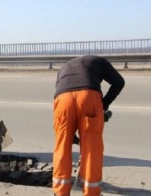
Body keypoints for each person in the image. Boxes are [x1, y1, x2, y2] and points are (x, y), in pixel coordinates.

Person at [52, 55, 125, 196]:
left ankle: (60, 192)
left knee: (62, 145)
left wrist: (71, 133)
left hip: (62, 100)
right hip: (88, 96)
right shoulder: (98, 61)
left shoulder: (64, 67)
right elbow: (119, 82)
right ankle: (92, 192)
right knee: (92, 147)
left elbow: (61, 91)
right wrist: (103, 105)